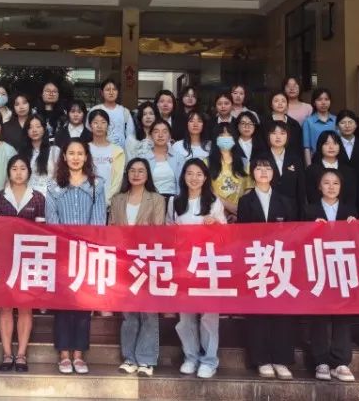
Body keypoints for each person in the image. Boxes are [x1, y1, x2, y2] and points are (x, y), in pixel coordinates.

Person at [46, 140, 107, 374]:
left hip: (87, 253)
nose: (75, 157)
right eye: (71, 153)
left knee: (83, 305)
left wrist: (86, 245)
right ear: (64, 157)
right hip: (62, 253)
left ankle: (79, 355)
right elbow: (52, 221)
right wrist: (65, 244)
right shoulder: (53, 186)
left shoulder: (96, 185)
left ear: (86, 157)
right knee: (63, 304)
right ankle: (63, 354)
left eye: (80, 153)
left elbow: (99, 221)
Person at [237, 155, 299, 380]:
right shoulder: (246, 201)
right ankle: (261, 359)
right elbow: (242, 234)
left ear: (274, 172)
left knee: (281, 311)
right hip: (256, 261)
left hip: (281, 261)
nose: (263, 172)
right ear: (252, 172)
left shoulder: (286, 200)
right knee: (258, 312)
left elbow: (293, 232)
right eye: (258, 168)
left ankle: (281, 359)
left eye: (268, 168)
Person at [169, 159, 227, 379]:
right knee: (186, 317)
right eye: (190, 173)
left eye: (199, 174)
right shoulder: (174, 202)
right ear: (183, 176)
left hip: (208, 264)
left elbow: (225, 236)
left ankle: (210, 360)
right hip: (183, 265)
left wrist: (216, 224)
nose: (194, 178)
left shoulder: (213, 202)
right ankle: (191, 357)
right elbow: (167, 233)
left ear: (205, 178)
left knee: (208, 316)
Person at [109, 158, 166, 377]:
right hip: (124, 261)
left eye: (141, 171)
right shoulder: (117, 199)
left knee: (148, 312)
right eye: (132, 170)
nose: (136, 174)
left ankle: (146, 359)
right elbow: (111, 229)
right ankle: (130, 357)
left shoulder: (157, 199)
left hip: (147, 259)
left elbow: (158, 230)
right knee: (129, 312)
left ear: (147, 175)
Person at [0, 156, 47, 372]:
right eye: (14, 168)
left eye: (23, 168)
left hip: (30, 259)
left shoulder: (38, 198)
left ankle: (21, 354)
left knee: (25, 308)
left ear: (29, 172)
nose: (18, 172)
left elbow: (42, 231)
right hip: (4, 259)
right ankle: (7, 354)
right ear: (8, 172)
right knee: (5, 307)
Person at [305, 169, 357, 383]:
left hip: (343, 267)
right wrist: (311, 228)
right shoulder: (309, 210)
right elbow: (297, 238)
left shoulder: (350, 210)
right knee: (319, 314)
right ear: (319, 186)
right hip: (317, 267)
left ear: (341, 187)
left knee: (343, 314)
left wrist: (356, 227)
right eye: (326, 182)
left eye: (335, 183)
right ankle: (321, 361)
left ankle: (341, 361)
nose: (331, 187)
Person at [305, 131, 358, 211]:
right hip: (319, 214)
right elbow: (311, 196)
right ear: (320, 146)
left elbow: (351, 197)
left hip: (344, 214)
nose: (331, 147)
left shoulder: (349, 171)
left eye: (335, 143)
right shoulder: (311, 170)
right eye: (326, 144)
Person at [208, 122, 249, 218]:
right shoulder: (206, 162)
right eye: (222, 135)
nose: (225, 138)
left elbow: (249, 188)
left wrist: (239, 211)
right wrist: (228, 206)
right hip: (215, 214)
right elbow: (207, 189)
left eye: (229, 135)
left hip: (240, 213)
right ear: (215, 139)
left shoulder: (245, 163)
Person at [87, 108, 125, 205]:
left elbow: (118, 180)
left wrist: (108, 201)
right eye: (95, 122)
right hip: (86, 201)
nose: (99, 126)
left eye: (103, 122)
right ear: (90, 126)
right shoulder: (84, 149)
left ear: (108, 125)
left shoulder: (118, 151)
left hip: (109, 203)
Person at [266, 120, 306, 207]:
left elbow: (301, 189)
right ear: (268, 135)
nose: (278, 137)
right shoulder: (261, 159)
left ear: (288, 136)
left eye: (282, 133)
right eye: (274, 133)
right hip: (268, 206)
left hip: (291, 208)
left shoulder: (296, 159)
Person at [87, 78, 135, 147]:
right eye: (108, 90)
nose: (111, 92)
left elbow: (130, 136)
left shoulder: (125, 112)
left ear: (118, 92)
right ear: (102, 93)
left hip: (121, 152)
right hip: (99, 151)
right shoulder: (95, 110)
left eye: (114, 89)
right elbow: (89, 131)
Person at [139, 120, 182, 198]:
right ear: (151, 136)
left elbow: (182, 184)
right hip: (150, 200)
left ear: (170, 136)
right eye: (156, 132)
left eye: (164, 132)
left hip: (174, 200)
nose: (160, 135)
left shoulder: (179, 158)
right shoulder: (143, 158)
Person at [20, 114, 60, 195]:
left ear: (44, 129)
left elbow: (58, 176)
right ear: (26, 131)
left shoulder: (54, 151)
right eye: (30, 127)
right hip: (28, 196)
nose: (34, 130)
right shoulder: (22, 153)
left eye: (38, 126)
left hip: (50, 195)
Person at [336, 109, 359, 195]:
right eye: (343, 123)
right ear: (337, 126)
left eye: (350, 122)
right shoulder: (333, 146)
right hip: (338, 191)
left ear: (356, 125)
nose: (347, 126)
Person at [261, 91, 303, 159]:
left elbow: (298, 147)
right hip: (268, 161)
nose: (280, 103)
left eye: (283, 101)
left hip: (291, 161)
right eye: (276, 101)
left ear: (287, 105)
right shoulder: (264, 123)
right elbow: (261, 145)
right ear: (271, 104)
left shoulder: (294, 124)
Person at [302, 88, 336, 166]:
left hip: (334, 161)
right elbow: (307, 148)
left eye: (326, 99)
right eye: (319, 99)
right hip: (316, 161)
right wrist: (309, 167)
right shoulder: (308, 121)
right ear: (314, 102)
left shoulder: (336, 120)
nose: (323, 102)